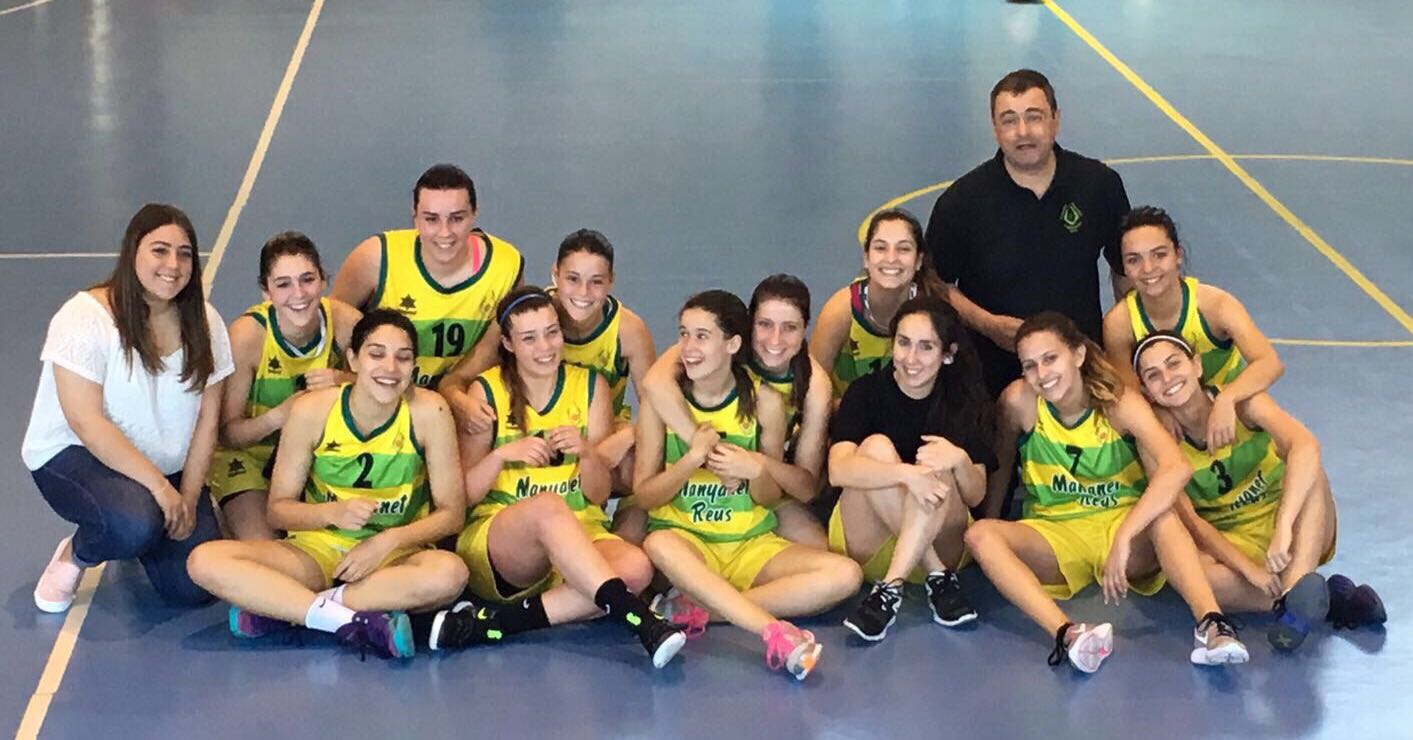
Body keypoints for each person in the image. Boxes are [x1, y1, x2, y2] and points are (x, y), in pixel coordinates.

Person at [964, 312, 1249, 673]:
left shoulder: (1118, 402)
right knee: (980, 535)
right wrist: (990, 527)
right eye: (1030, 366)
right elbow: (1001, 465)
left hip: (1121, 527)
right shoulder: (1019, 402)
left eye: (1050, 358)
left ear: (1078, 354)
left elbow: (1176, 467)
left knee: (1163, 516)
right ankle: (1069, 635)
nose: (1042, 373)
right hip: (1056, 534)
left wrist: (1125, 536)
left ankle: (1212, 625)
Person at [186, 310, 470, 660]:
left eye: (403, 357)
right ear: (353, 359)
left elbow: (452, 514)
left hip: (393, 560)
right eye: (376, 354)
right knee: (203, 561)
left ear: (414, 366)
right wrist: (333, 513)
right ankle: (345, 620)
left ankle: (288, 610)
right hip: (317, 551)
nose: (390, 368)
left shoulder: (430, 411)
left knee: (450, 574)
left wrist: (387, 541)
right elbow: (278, 511)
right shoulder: (313, 410)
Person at [428, 287, 686, 667]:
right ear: (508, 344)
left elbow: (597, 495)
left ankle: (493, 625)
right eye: (529, 338)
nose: (545, 347)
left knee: (636, 568)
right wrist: (500, 456)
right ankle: (641, 620)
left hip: (580, 529)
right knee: (547, 508)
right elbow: (462, 495)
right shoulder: (487, 390)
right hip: (506, 542)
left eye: (551, 332)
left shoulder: (591, 387)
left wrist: (587, 453)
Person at [637, 290, 862, 680]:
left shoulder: (766, 402)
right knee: (657, 544)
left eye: (701, 336)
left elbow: (771, 497)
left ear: (732, 344)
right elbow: (644, 495)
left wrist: (756, 469)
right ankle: (773, 632)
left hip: (750, 543)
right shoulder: (664, 400)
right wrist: (691, 460)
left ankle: (704, 610)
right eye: (683, 334)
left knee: (847, 575)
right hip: (689, 541)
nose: (688, 347)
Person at [25, 203, 231, 612]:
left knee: (193, 589)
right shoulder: (84, 317)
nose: (173, 265)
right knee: (134, 521)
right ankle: (78, 553)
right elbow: (86, 422)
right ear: (132, 251)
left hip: (167, 466)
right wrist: (160, 489)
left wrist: (189, 497)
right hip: (78, 457)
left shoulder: (206, 322)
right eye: (159, 250)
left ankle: (141, 524)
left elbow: (208, 420)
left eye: (184, 254)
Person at [1133, 331, 1385, 649]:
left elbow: (1306, 445)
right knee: (1193, 578)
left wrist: (1284, 527)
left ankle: (1295, 591)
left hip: (1295, 529)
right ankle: (1314, 602)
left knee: (1309, 469)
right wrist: (1248, 569)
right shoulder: (1155, 442)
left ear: (1196, 365)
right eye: (1153, 375)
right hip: (1235, 541)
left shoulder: (1241, 401)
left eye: (1174, 364)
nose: (1168, 378)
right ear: (1147, 392)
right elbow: (1193, 525)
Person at [924, 69, 1132, 397]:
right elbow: (936, 285)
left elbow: (1124, 270)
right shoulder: (962, 202)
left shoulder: (1098, 185)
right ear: (995, 129)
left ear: (1055, 120)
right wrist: (989, 325)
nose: (1023, 132)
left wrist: (1124, 349)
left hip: (1082, 368)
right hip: (993, 374)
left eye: (1034, 117)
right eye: (1009, 120)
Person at [829, 296, 996, 640]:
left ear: (947, 354)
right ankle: (936, 577)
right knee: (875, 448)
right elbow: (838, 470)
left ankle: (889, 589)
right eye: (903, 343)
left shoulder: (966, 401)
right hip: (869, 543)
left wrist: (959, 460)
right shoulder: (865, 392)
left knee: (937, 461)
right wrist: (906, 475)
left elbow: (976, 494)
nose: (911, 358)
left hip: (943, 538)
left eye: (926, 347)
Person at [635, 274, 832, 548]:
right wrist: (707, 451)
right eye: (765, 324)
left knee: (818, 548)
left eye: (790, 327)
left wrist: (755, 464)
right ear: (748, 325)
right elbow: (654, 384)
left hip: (763, 481)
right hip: (695, 479)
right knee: (634, 534)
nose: (775, 339)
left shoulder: (814, 384)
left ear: (804, 330)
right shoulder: (715, 349)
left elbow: (805, 488)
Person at [331, 163, 523, 434]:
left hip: (456, 407)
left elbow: (490, 350)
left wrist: (452, 390)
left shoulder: (506, 267)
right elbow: (334, 321)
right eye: (431, 219)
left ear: (474, 215)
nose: (444, 232)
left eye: (457, 218)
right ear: (415, 217)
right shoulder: (376, 258)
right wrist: (351, 378)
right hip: (382, 400)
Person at [208, 232, 361, 540]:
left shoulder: (346, 323)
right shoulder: (247, 337)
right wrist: (278, 416)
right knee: (265, 553)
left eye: (307, 279)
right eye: (283, 284)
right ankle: (227, 512)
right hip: (252, 458)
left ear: (323, 280)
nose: (299, 294)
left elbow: (390, 386)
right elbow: (227, 433)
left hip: (318, 457)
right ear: (266, 292)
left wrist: (346, 381)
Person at [1103, 206, 1283, 450]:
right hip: (1176, 431)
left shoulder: (1215, 306)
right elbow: (1129, 392)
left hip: (1233, 421)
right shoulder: (1119, 324)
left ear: (1178, 255)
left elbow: (1269, 362)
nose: (1148, 268)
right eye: (1134, 259)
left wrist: (1227, 398)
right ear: (1124, 268)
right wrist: (1156, 410)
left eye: (1159, 255)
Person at [547, 229, 656, 492]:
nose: (583, 292)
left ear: (611, 282)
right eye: (573, 279)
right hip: (544, 429)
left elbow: (656, 406)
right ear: (555, 275)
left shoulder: (627, 330)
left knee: (636, 460)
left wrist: (628, 434)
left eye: (596, 282)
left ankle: (631, 512)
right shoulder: (535, 316)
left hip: (603, 433)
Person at [813, 208, 941, 399]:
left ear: (918, 261)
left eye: (903, 249)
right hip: (846, 412)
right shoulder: (841, 311)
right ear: (866, 258)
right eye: (881, 248)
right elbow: (811, 388)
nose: (891, 258)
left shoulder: (934, 313)